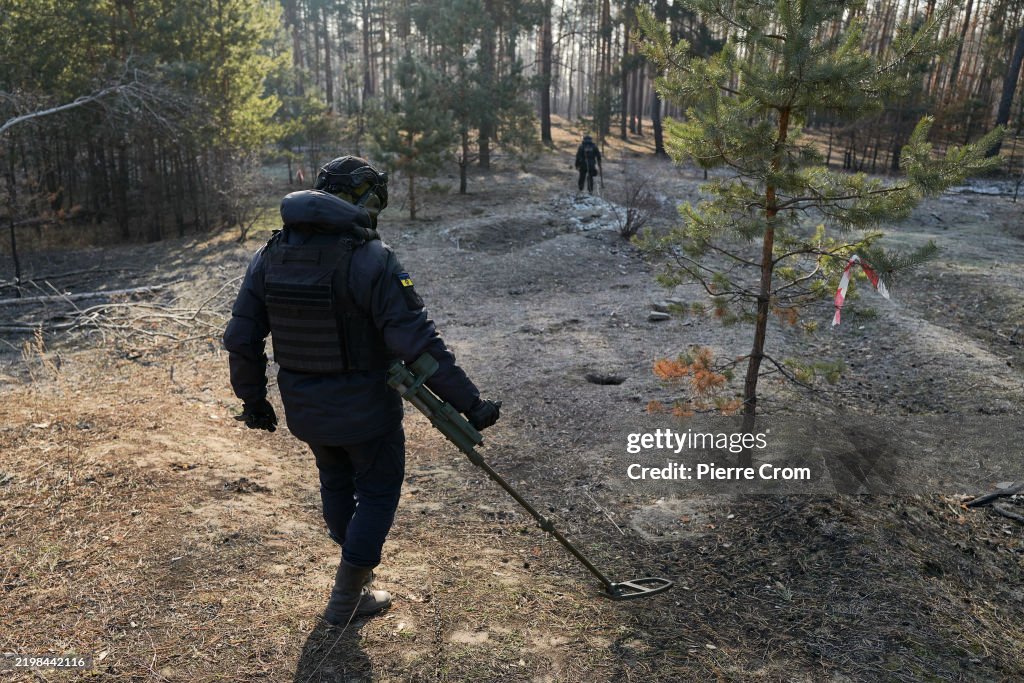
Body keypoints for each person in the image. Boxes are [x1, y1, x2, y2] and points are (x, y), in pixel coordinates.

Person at [223, 156, 501, 627]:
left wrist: (253, 399)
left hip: (305, 409)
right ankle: (347, 598)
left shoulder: (269, 255)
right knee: (376, 492)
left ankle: (357, 580)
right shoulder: (371, 258)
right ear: (365, 201)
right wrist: (470, 403)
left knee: (335, 481)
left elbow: (241, 335)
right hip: (367, 412)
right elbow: (418, 343)